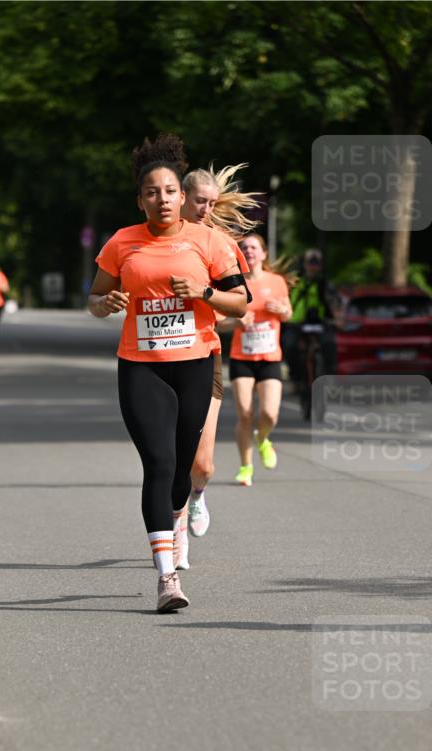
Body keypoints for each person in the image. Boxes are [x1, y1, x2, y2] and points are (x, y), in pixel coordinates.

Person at [88, 133, 247, 613]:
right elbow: (95, 299)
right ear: (141, 200)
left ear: (182, 197)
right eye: (152, 192)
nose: (162, 199)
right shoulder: (122, 243)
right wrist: (105, 303)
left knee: (182, 470)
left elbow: (240, 303)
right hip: (141, 367)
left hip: (195, 364)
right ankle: (166, 578)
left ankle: (179, 514)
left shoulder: (209, 241)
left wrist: (202, 292)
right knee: (157, 464)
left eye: (170, 192)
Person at [175, 163, 259, 566]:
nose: (206, 209)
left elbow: (239, 305)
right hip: (159, 358)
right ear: (182, 197)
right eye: (200, 201)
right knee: (169, 456)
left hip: (205, 354)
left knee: (203, 464)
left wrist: (207, 297)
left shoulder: (217, 242)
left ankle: (197, 496)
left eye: (211, 203)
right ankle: (173, 537)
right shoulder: (154, 238)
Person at [218, 233, 292, 487]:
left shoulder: (277, 281)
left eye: (253, 247)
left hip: (270, 357)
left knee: (269, 414)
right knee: (245, 414)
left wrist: (282, 311)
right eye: (244, 248)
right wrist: (236, 322)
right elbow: (218, 324)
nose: (248, 251)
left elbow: (287, 313)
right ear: (239, 256)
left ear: (262, 254)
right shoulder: (233, 285)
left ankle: (263, 438)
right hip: (242, 357)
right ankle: (246, 466)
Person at [286, 248, 336, 387]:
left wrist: (335, 318)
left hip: (320, 323)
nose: (313, 267)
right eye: (310, 263)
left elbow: (334, 303)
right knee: (289, 346)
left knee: (329, 344)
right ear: (304, 264)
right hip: (296, 323)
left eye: (316, 263)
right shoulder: (295, 282)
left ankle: (329, 377)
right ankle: (295, 377)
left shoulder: (324, 283)